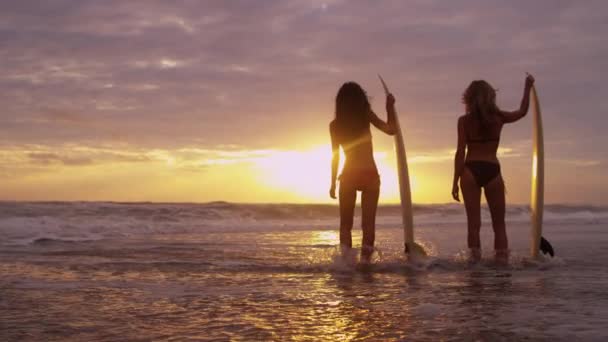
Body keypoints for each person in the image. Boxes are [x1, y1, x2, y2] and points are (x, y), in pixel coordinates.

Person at [452, 74, 535, 264]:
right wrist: (527, 87)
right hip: (492, 170)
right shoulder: (499, 117)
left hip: (470, 170)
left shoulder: (463, 121)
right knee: (499, 225)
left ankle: (474, 267)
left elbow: (459, 152)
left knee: (473, 225)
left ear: (469, 98)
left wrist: (455, 181)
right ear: (490, 97)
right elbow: (522, 112)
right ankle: (502, 265)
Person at [329, 82, 397, 262]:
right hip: (370, 174)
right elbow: (391, 130)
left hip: (349, 175)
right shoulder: (366, 115)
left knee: (345, 225)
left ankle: (346, 266)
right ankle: (366, 265)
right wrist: (389, 107)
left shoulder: (335, 125)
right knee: (368, 226)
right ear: (360, 100)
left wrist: (332, 184)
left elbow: (335, 156)